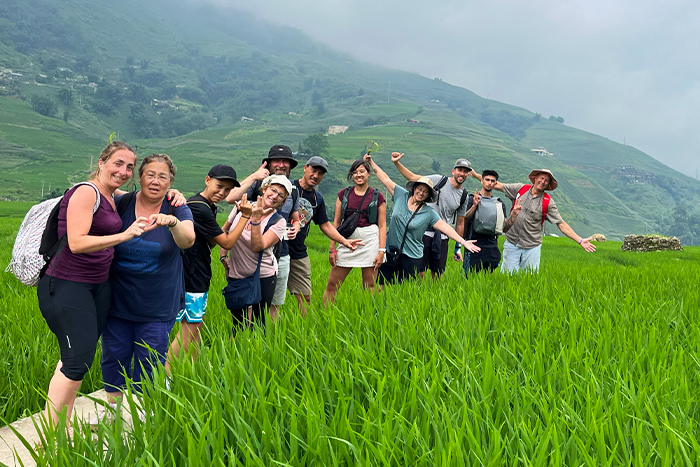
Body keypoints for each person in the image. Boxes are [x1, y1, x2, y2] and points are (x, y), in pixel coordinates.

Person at [36, 142, 151, 428]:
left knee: (74, 356)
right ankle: (54, 434)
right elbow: (76, 242)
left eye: (129, 167)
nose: (123, 171)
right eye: (118, 163)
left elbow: (145, 195)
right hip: (66, 285)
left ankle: (60, 420)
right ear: (101, 162)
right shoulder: (86, 192)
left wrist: (172, 193)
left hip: (96, 286)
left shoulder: (111, 196)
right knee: (78, 361)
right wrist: (124, 236)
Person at [101, 154, 195, 408]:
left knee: (150, 362)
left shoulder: (176, 207)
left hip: (157, 305)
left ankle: (143, 419)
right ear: (139, 177)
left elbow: (188, 239)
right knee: (114, 359)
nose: (155, 181)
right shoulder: (122, 203)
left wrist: (172, 222)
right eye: (150, 174)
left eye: (162, 177)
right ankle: (115, 418)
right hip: (117, 303)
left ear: (170, 181)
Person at [166, 164, 253, 370]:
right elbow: (227, 243)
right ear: (207, 180)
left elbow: (211, 241)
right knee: (190, 328)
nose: (222, 193)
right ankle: (164, 377)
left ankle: (195, 369)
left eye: (227, 190)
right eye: (219, 186)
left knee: (196, 325)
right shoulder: (199, 207)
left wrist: (221, 230)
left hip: (194, 271)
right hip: (192, 273)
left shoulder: (205, 205)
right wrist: (246, 216)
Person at [364, 153, 480, 286]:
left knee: (408, 290)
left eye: (425, 192)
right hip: (392, 251)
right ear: (414, 188)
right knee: (382, 286)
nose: (421, 193)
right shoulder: (401, 195)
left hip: (413, 254)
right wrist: (371, 163)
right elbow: (384, 178)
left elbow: (445, 227)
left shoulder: (429, 212)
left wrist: (462, 242)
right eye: (419, 189)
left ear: (428, 196)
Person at [226, 145, 301, 321]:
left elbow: (294, 218)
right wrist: (254, 176)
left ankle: (266, 345)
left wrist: (296, 225)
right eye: (277, 160)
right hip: (242, 264)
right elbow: (230, 201)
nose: (282, 165)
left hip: (275, 257)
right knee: (240, 318)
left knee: (268, 311)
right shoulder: (253, 192)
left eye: (286, 162)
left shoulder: (292, 195)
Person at [471, 168, 596, 273]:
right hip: (512, 242)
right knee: (507, 278)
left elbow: (561, 224)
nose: (543, 181)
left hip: (532, 246)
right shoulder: (521, 189)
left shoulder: (548, 202)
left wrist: (580, 240)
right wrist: (475, 175)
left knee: (529, 280)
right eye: (541, 178)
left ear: (548, 185)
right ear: (535, 178)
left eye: (546, 181)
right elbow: (496, 184)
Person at [287, 156, 363, 315]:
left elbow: (325, 225)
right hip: (276, 248)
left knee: (305, 297)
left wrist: (344, 241)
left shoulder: (317, 199)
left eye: (320, 173)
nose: (316, 175)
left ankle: (304, 331)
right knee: (270, 297)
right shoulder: (288, 187)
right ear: (305, 168)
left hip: (298, 251)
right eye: (313, 170)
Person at [220, 175, 290, 331]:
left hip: (263, 276)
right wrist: (223, 257)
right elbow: (224, 230)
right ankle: (235, 353)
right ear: (264, 189)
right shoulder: (243, 207)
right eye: (273, 190)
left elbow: (258, 246)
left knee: (258, 323)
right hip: (237, 273)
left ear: (282, 201)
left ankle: (257, 353)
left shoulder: (278, 221)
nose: (275, 196)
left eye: (281, 195)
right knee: (238, 321)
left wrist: (256, 219)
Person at [391, 153, 472, 279]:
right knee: (418, 271)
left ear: (468, 174)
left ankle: (430, 296)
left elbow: (460, 222)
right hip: (423, 232)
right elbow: (412, 177)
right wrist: (396, 163)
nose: (462, 174)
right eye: (460, 170)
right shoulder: (438, 180)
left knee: (438, 273)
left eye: (465, 172)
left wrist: (458, 247)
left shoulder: (464, 196)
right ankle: (416, 295)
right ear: (453, 171)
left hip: (443, 237)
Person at [323, 159, 387, 304]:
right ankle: (326, 315)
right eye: (355, 172)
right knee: (332, 283)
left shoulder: (378, 196)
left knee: (369, 284)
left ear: (368, 173)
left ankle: (369, 316)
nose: (358, 175)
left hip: (370, 240)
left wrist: (381, 251)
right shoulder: (343, 194)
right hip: (346, 240)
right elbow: (336, 222)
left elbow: (382, 226)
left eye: (362, 171)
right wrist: (332, 248)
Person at [454, 169, 522, 275]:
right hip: (473, 244)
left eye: (492, 181)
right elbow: (464, 220)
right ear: (482, 181)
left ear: (495, 183)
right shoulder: (471, 198)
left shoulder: (499, 203)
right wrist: (474, 206)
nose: (489, 183)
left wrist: (514, 215)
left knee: (487, 281)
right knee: (468, 278)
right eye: (487, 180)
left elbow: (504, 228)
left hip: (491, 245)